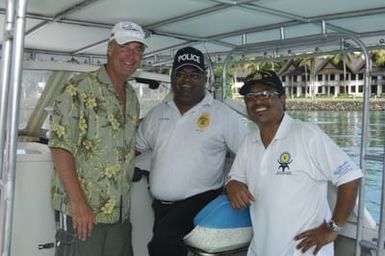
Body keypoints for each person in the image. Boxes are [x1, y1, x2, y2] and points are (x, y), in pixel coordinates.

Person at [225, 70, 363, 256]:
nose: (257, 101)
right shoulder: (249, 142)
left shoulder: (307, 135)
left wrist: (332, 228)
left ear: (283, 100)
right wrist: (233, 185)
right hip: (262, 248)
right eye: (250, 96)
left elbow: (350, 177)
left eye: (265, 94)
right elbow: (235, 178)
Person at [136, 46, 250, 256]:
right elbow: (136, 147)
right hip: (160, 206)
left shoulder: (222, 114)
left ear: (204, 78)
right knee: (164, 240)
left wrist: (235, 180)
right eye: (180, 73)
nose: (186, 79)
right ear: (172, 77)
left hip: (201, 201)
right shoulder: (157, 114)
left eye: (193, 74)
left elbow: (250, 153)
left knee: (162, 243)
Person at [48, 21, 147, 256]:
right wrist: (79, 203)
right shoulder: (78, 88)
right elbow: (61, 147)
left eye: (138, 49)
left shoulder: (132, 97)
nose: (131, 55)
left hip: (119, 215)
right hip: (83, 213)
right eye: (125, 47)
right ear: (110, 49)